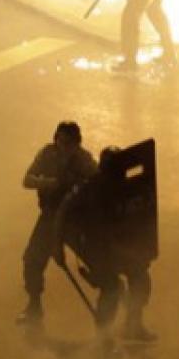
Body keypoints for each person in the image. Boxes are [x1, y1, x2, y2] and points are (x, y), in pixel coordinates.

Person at [53, 146, 156, 348]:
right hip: (92, 245)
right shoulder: (88, 188)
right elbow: (63, 212)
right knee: (112, 287)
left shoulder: (128, 186)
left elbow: (141, 212)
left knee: (140, 276)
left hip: (116, 243)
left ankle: (133, 325)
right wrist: (58, 247)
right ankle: (102, 337)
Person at [17, 121, 98, 325]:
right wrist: (48, 183)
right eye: (60, 141)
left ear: (77, 143)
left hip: (75, 221)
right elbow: (27, 179)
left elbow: (99, 185)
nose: (64, 146)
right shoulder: (47, 154)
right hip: (50, 217)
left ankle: (115, 307)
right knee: (32, 260)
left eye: (69, 143)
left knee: (100, 266)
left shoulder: (84, 160)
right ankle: (34, 306)